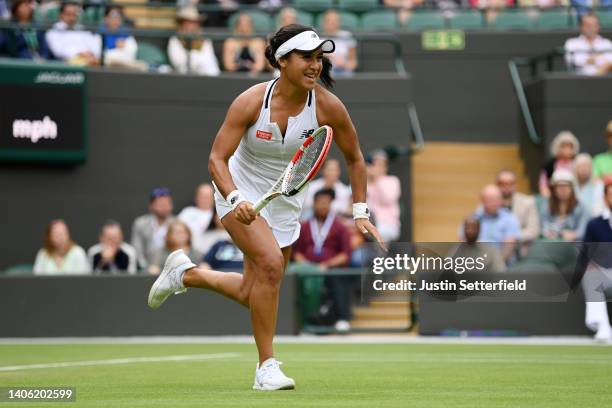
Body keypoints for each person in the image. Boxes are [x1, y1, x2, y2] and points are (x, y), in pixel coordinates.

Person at [147, 24, 384, 391]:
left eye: (319, 58)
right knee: (271, 266)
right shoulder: (250, 102)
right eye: (306, 57)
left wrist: (359, 211)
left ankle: (186, 275)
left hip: (286, 201)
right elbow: (216, 160)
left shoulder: (327, 106)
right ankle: (266, 368)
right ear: (282, 61)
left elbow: (355, 158)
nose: (315, 66)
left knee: (254, 290)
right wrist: (236, 197)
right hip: (236, 189)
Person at [293, 188, 354, 332]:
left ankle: (342, 318)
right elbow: (296, 253)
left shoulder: (340, 227)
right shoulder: (304, 226)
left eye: (327, 203)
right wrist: (308, 266)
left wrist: (327, 265)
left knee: (336, 278)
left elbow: (345, 254)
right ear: (314, 204)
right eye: (320, 203)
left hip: (330, 269)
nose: (323, 206)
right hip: (307, 269)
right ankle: (301, 321)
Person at [577, 178, 612, 342]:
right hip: (606, 273)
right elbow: (585, 252)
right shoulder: (595, 224)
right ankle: (603, 328)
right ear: (605, 198)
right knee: (591, 276)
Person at [464, 184, 521, 264]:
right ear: (482, 201)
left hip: (502, 264)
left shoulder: (510, 219)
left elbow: (508, 248)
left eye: (497, 199)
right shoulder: (473, 218)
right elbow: (463, 240)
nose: (494, 203)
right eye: (490, 200)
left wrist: (494, 264)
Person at [496, 169, 539, 256]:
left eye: (510, 183)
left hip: (519, 248)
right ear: (497, 185)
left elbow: (533, 230)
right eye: (502, 183)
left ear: (515, 184)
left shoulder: (528, 202)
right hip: (494, 247)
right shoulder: (489, 202)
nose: (506, 186)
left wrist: (512, 237)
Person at [167, 6, 220, 76]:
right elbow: (179, 63)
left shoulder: (205, 40)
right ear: (182, 23)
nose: (192, 25)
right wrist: (199, 59)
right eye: (189, 22)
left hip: (208, 79)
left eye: (195, 22)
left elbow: (212, 65)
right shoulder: (175, 40)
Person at [131, 187, 176, 269]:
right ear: (151, 206)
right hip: (147, 270)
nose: (164, 207)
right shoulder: (140, 224)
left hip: (172, 269)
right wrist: (146, 268)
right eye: (161, 204)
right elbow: (137, 251)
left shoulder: (177, 224)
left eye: (167, 204)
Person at [539, 169, 589, 241]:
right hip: (552, 245)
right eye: (559, 186)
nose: (563, 189)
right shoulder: (546, 206)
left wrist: (574, 234)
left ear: (572, 188)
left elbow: (584, 229)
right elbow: (542, 226)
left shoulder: (582, 207)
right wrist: (551, 234)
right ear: (554, 189)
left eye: (566, 186)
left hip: (575, 246)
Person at [46, 2, 101, 66]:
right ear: (61, 15)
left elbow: (94, 46)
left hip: (89, 61)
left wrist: (91, 54)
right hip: (67, 65)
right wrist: (79, 54)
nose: (72, 17)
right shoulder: (53, 31)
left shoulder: (83, 29)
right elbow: (58, 51)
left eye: (74, 14)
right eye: (68, 14)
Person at [367, 150, 401, 242]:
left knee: (379, 233)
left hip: (387, 224)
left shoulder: (392, 181)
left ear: (385, 167)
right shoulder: (366, 182)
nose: (377, 168)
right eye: (375, 164)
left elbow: (387, 199)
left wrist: (377, 179)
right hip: (367, 222)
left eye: (380, 165)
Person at [100, 5, 146, 70]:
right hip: (107, 65)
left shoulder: (125, 32)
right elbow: (100, 54)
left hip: (125, 64)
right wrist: (115, 46)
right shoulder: (100, 32)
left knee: (142, 66)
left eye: (118, 17)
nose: (115, 20)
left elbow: (131, 53)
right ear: (106, 18)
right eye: (112, 17)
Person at [539, 130, 579, 198]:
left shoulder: (578, 163)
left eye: (570, 146)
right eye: (564, 146)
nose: (567, 149)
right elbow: (543, 184)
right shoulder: (549, 165)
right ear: (557, 147)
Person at [179, 183, 215, 254]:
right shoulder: (187, 212)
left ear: (213, 198)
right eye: (202, 196)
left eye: (208, 196)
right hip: (188, 252)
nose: (205, 199)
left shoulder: (218, 215)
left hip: (210, 254)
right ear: (196, 197)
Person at [320, 9, 357, 77]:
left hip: (345, 71)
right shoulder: (319, 39)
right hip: (326, 72)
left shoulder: (347, 36)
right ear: (324, 23)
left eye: (335, 21)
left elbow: (353, 63)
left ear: (339, 22)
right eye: (329, 21)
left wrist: (344, 64)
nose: (332, 23)